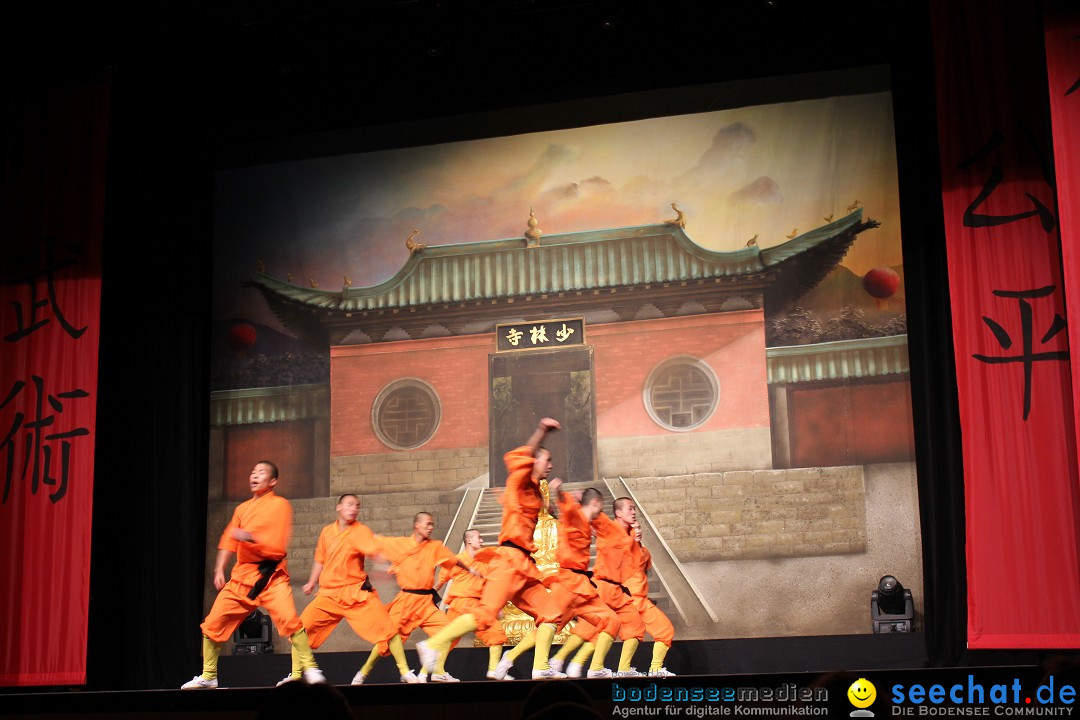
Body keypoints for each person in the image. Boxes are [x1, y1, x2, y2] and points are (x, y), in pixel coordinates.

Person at [418, 418, 567, 680]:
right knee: (486, 616)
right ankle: (431, 645)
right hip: (509, 560)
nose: (551, 465)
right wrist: (542, 432)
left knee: (552, 614)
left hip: (525, 565)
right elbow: (524, 455)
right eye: (547, 460)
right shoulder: (520, 480)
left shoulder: (534, 491)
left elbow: (545, 511)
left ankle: (540, 666)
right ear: (533, 462)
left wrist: (556, 498)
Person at [182, 461, 324, 689]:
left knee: (290, 621)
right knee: (212, 625)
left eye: (261, 472)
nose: (254, 475)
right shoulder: (242, 509)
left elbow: (277, 545)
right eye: (253, 472)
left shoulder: (280, 505)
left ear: (273, 481)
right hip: (241, 579)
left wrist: (250, 537)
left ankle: (311, 668)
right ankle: (209, 675)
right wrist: (219, 568)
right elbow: (229, 539)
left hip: (271, 578)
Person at [276, 494, 416, 685]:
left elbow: (374, 552)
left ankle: (406, 673)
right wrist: (311, 582)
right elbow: (320, 559)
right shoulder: (327, 532)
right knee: (299, 630)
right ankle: (296, 675)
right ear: (338, 507)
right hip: (329, 594)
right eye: (350, 504)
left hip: (356, 594)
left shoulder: (361, 531)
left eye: (357, 506)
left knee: (389, 630)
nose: (354, 508)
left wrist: (382, 567)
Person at [354, 511, 477, 683]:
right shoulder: (399, 544)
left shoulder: (434, 547)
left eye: (432, 524)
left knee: (451, 633)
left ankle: (437, 671)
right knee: (387, 640)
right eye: (427, 524)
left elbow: (452, 560)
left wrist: (469, 569)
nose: (431, 527)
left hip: (426, 603)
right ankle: (363, 672)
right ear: (417, 525)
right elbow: (376, 541)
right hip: (406, 601)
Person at [541, 487, 621, 679]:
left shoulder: (586, 522)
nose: (600, 513)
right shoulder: (574, 516)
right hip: (568, 581)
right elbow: (567, 510)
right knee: (550, 621)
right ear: (596, 503)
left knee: (611, 620)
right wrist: (559, 493)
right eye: (599, 508)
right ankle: (526, 662)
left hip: (581, 586)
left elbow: (611, 533)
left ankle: (594, 668)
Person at [436, 528, 514, 680]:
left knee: (496, 632)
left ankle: (494, 671)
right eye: (480, 537)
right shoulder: (456, 560)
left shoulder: (485, 562)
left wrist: (496, 606)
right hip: (459, 604)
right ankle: (437, 672)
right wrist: (427, 599)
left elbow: (490, 587)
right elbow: (439, 583)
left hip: (479, 607)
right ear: (469, 540)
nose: (482, 541)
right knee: (447, 638)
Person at [590, 496, 647, 677]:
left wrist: (637, 541)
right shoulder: (610, 527)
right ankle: (595, 668)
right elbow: (594, 518)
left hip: (616, 590)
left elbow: (638, 562)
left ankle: (623, 669)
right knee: (607, 626)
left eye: (634, 509)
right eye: (630, 509)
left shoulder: (628, 536)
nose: (633, 512)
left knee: (635, 625)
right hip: (603, 586)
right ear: (618, 513)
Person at [624, 520, 676, 678]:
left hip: (640, 601)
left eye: (639, 527)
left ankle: (651, 669)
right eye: (633, 529)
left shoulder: (644, 552)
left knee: (663, 631)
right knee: (635, 635)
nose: (638, 531)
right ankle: (625, 670)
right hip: (629, 601)